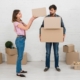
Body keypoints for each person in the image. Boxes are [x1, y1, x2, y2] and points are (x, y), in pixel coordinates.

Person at [39, 4, 66, 72]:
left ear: (55, 10)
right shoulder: (46, 18)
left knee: (56, 53)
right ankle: (47, 66)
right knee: (47, 53)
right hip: (48, 37)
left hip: (56, 37)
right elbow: (42, 26)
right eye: (50, 10)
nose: (50, 11)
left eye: (52, 10)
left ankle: (56, 66)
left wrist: (63, 35)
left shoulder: (58, 18)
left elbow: (63, 27)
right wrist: (40, 34)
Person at [12, 10, 37, 77]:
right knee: (20, 57)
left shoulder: (21, 21)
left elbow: (28, 27)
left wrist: (33, 19)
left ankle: (20, 70)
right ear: (16, 15)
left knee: (21, 56)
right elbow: (26, 28)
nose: (21, 14)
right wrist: (31, 19)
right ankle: (18, 72)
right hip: (19, 40)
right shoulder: (16, 23)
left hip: (22, 39)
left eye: (20, 13)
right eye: (19, 13)